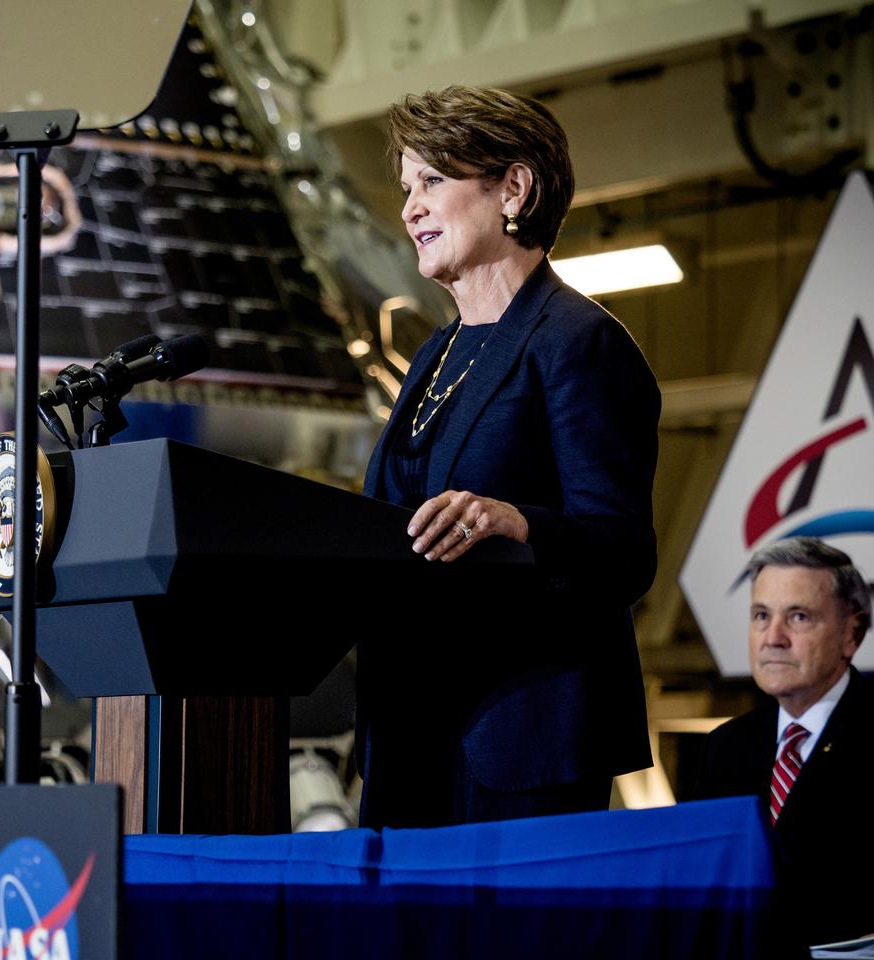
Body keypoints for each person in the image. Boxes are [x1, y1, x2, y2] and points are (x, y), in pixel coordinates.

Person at [357, 85, 660, 829]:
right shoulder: (433, 354)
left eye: (433, 180)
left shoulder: (576, 343)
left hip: (521, 739)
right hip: (412, 725)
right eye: (406, 188)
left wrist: (520, 523)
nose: (410, 208)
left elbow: (626, 551)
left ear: (514, 188)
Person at [696, 537, 873, 946]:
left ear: (852, 632)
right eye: (761, 615)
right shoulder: (724, 746)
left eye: (798, 617)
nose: (773, 637)